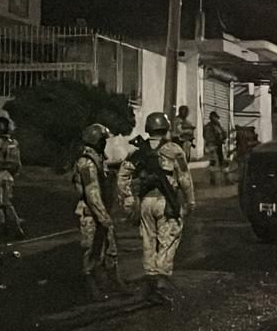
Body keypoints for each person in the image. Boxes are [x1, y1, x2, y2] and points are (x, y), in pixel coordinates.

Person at [117, 112, 195, 307]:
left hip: (145, 203)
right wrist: (190, 201)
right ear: (165, 128)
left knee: (148, 241)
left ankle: (150, 282)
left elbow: (122, 176)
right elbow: (184, 178)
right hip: (165, 202)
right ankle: (160, 282)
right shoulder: (174, 150)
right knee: (169, 239)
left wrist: (127, 199)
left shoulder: (138, 152)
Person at [72, 123, 127, 300]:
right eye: (103, 140)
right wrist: (103, 217)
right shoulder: (86, 162)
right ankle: (91, 288)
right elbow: (92, 193)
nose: (105, 143)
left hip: (101, 212)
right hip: (90, 213)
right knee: (91, 250)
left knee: (110, 248)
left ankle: (114, 282)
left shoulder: (97, 158)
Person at [203, 110, 228, 184]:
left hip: (219, 145)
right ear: (211, 118)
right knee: (213, 163)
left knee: (223, 162)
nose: (216, 119)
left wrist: (223, 138)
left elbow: (224, 133)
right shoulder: (208, 127)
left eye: (216, 118)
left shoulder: (218, 125)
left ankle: (225, 178)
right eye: (215, 118)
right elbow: (207, 137)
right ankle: (212, 179)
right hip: (212, 146)